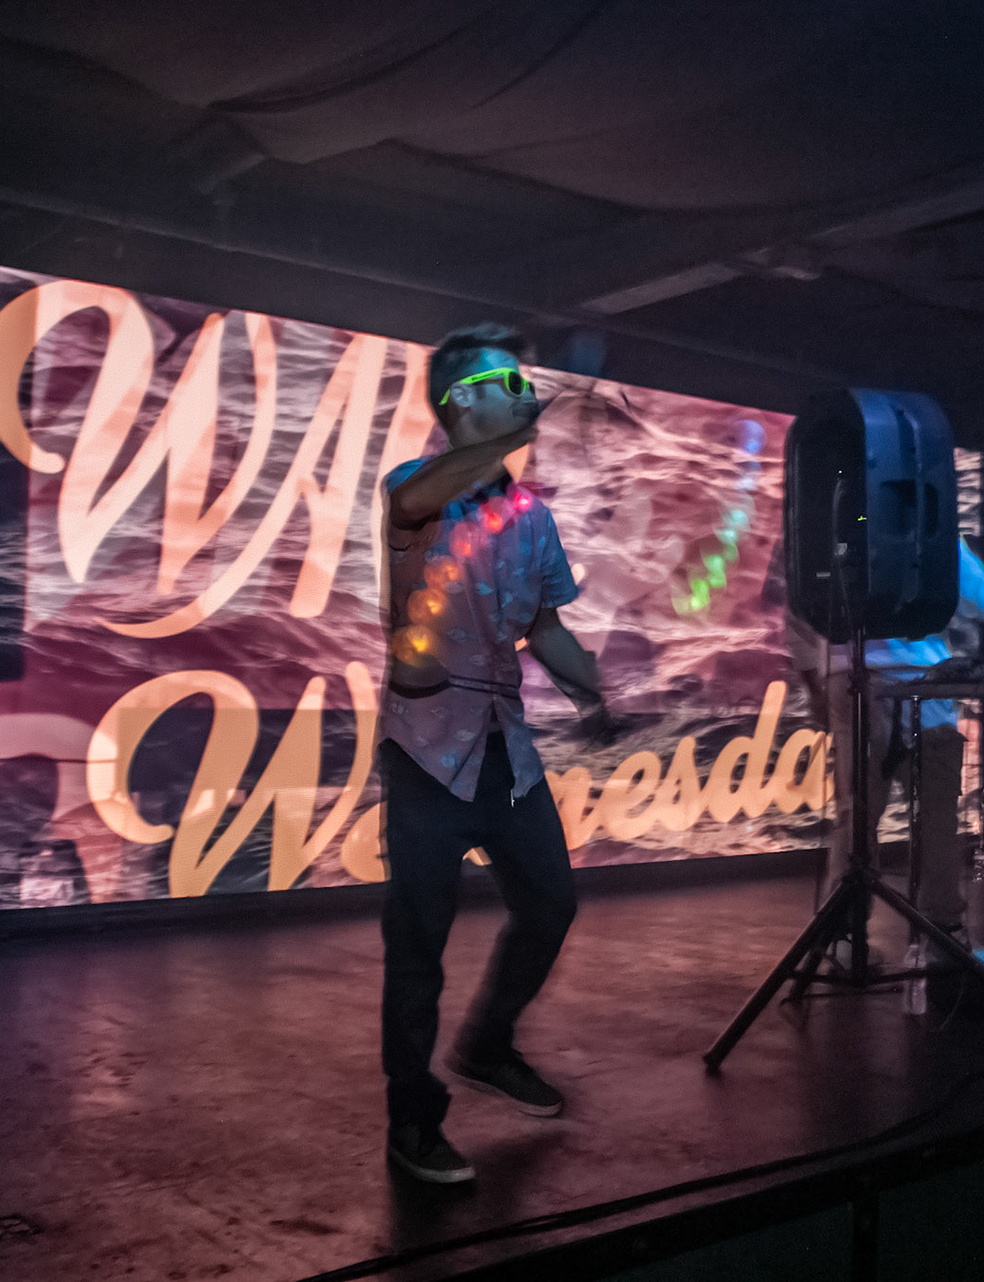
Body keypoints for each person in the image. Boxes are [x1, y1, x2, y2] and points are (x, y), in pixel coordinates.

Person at [377, 323, 611, 1185]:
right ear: (460, 403)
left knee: (551, 904)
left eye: (524, 382)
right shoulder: (412, 488)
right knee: (419, 941)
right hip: (424, 750)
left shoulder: (532, 517)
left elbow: (544, 626)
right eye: (507, 382)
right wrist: (516, 433)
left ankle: (486, 1045)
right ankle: (413, 1120)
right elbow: (434, 487)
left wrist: (592, 691)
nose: (525, 392)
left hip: (504, 748)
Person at [790, 537, 984, 945]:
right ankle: (942, 928)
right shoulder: (929, 526)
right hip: (923, 681)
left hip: (849, 679)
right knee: (935, 813)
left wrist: (815, 686)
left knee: (855, 812)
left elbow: (798, 609)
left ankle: (844, 930)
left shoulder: (825, 525)